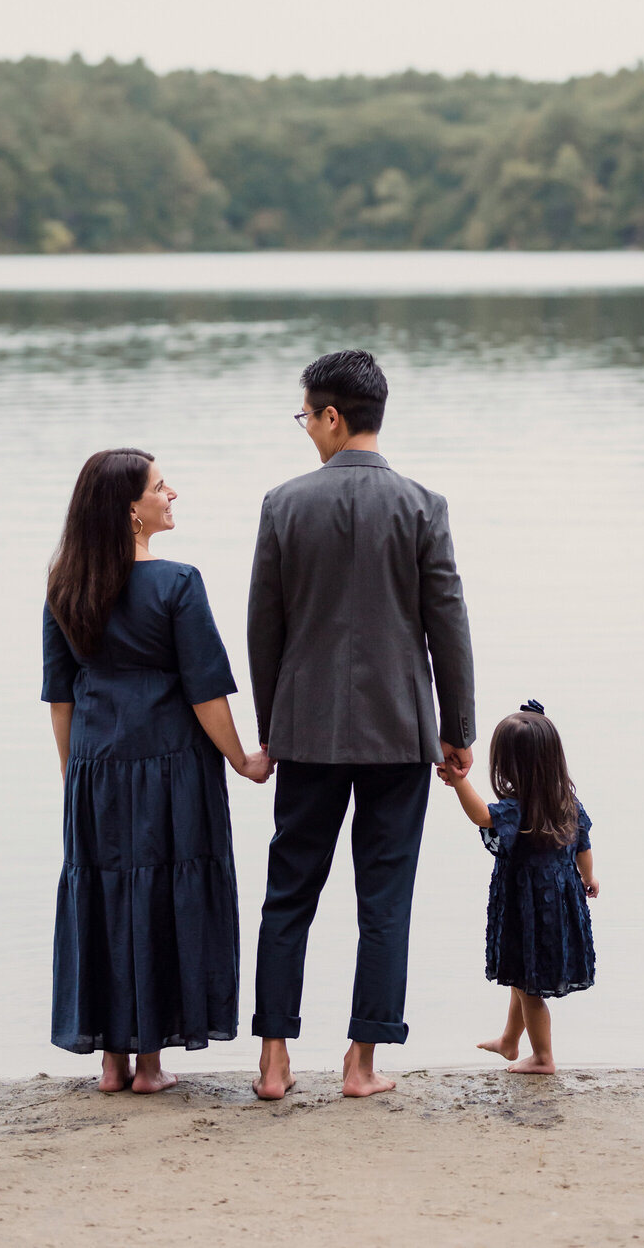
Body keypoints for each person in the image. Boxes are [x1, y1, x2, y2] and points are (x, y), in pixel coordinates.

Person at [247, 349, 476, 1100]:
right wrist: (459, 727)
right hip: (397, 732)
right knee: (385, 898)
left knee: (289, 893)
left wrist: (271, 725)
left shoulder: (283, 504)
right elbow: (448, 621)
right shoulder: (422, 506)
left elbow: (264, 629)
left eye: (306, 414)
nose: (305, 427)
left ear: (333, 416)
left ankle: (275, 1060)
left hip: (306, 729)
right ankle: (361, 1063)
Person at [42, 448, 271, 1095]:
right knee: (166, 893)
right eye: (161, 487)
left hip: (95, 767)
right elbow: (206, 695)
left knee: (106, 895)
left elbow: (60, 698)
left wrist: (72, 776)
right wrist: (243, 759)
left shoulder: (64, 584)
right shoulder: (177, 583)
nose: (173, 494)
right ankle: (149, 1068)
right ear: (130, 510)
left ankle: (111, 1063)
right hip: (171, 768)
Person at [438, 700, 597, 1075]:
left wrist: (459, 782)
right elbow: (584, 844)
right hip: (557, 904)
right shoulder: (566, 802)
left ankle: (542, 1057)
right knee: (522, 977)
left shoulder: (517, 807)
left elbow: (481, 815)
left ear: (510, 764)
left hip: (531, 907)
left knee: (530, 988)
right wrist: (588, 878)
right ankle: (510, 1041)